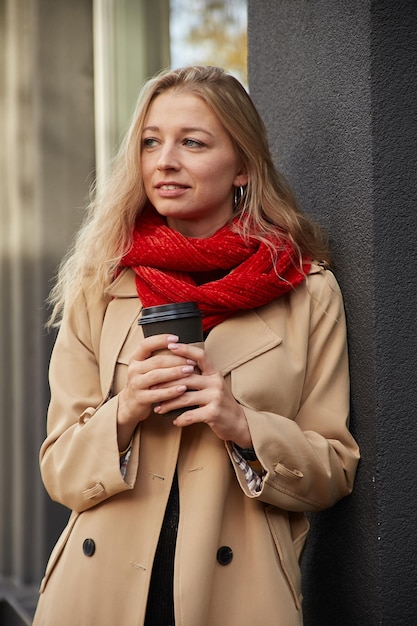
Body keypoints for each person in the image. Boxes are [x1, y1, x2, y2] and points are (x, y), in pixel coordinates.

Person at [33, 65, 360, 626]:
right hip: (96, 594)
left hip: (237, 598)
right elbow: (60, 469)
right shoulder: (102, 282)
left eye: (193, 142)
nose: (165, 161)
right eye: (151, 142)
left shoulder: (307, 290)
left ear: (243, 168)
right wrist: (126, 410)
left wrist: (242, 424)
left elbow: (333, 469)